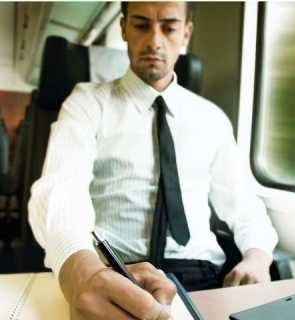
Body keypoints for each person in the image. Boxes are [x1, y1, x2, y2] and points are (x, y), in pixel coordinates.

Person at [29, 2, 278, 320]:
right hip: (117, 272)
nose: (155, 41)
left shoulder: (211, 119)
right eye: (142, 25)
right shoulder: (87, 103)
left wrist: (257, 257)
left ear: (186, 33)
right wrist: (79, 268)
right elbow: (60, 188)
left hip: (204, 279)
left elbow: (244, 206)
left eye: (169, 27)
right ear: (123, 29)